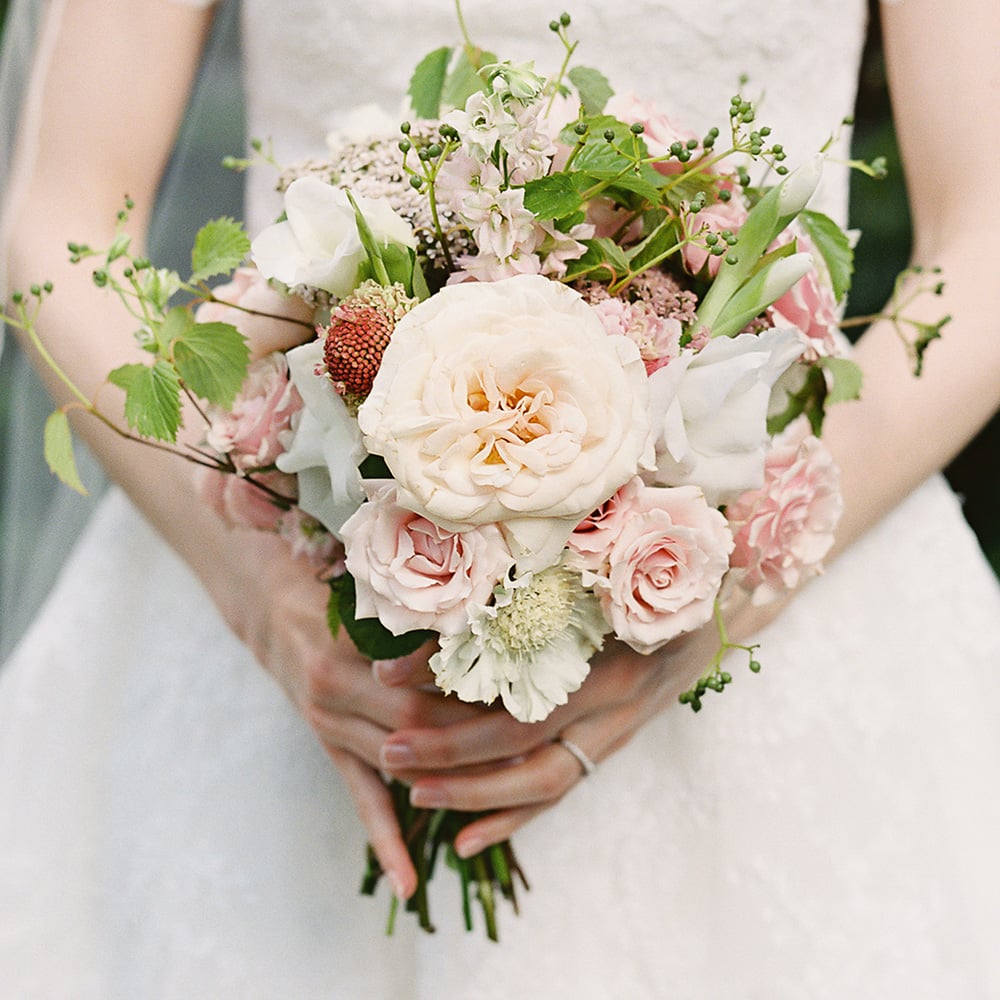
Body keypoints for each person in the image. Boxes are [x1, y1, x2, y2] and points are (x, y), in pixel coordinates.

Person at [1, 0, 998, 996]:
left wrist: (718, 589)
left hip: (801, 625)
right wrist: (254, 592)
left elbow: (985, 235)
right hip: (283, 564)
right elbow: (61, 213)